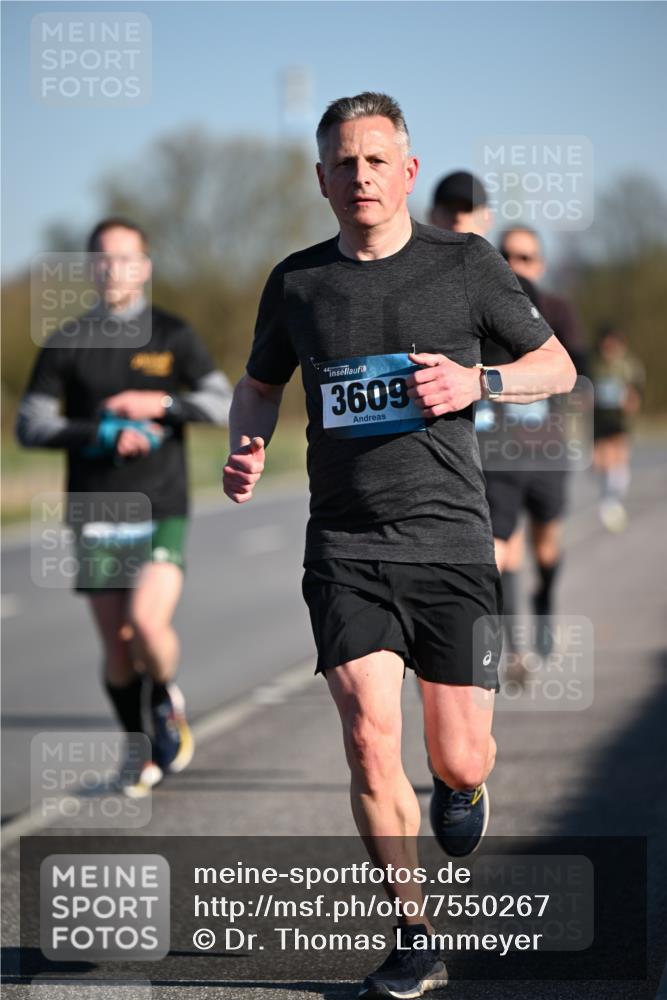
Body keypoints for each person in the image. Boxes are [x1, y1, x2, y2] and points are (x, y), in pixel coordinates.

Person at [223, 93, 575, 999]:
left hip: (453, 543)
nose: (361, 176)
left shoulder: (465, 264)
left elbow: (557, 367)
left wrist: (478, 380)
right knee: (369, 741)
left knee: (457, 755)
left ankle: (463, 786)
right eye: (343, 162)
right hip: (345, 546)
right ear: (320, 180)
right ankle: (412, 934)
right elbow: (259, 385)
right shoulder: (297, 283)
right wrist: (247, 439)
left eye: (376, 159)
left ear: (407, 171)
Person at [16, 218, 231, 798]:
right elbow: (30, 424)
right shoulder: (67, 341)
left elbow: (223, 402)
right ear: (91, 267)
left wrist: (160, 402)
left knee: (147, 624)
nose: (115, 269)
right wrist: (101, 432)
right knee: (117, 649)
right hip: (95, 509)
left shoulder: (173, 334)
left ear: (146, 267)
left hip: (161, 503)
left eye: (126, 258)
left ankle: (163, 694)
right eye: (104, 259)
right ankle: (139, 750)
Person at [431, 176, 587, 657]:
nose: (515, 264)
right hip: (493, 441)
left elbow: (575, 376)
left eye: (525, 257)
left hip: (545, 445)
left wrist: (574, 434)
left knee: (545, 543)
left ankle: (544, 599)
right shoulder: (472, 290)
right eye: (508, 255)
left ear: (539, 263)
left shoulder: (554, 308)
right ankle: (509, 645)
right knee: (502, 543)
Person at [591, 324, 644, 532]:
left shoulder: (629, 366)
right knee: (601, 463)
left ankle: (611, 502)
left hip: (619, 420)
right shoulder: (594, 365)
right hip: (599, 420)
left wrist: (629, 402)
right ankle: (608, 499)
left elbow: (635, 395)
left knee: (619, 459)